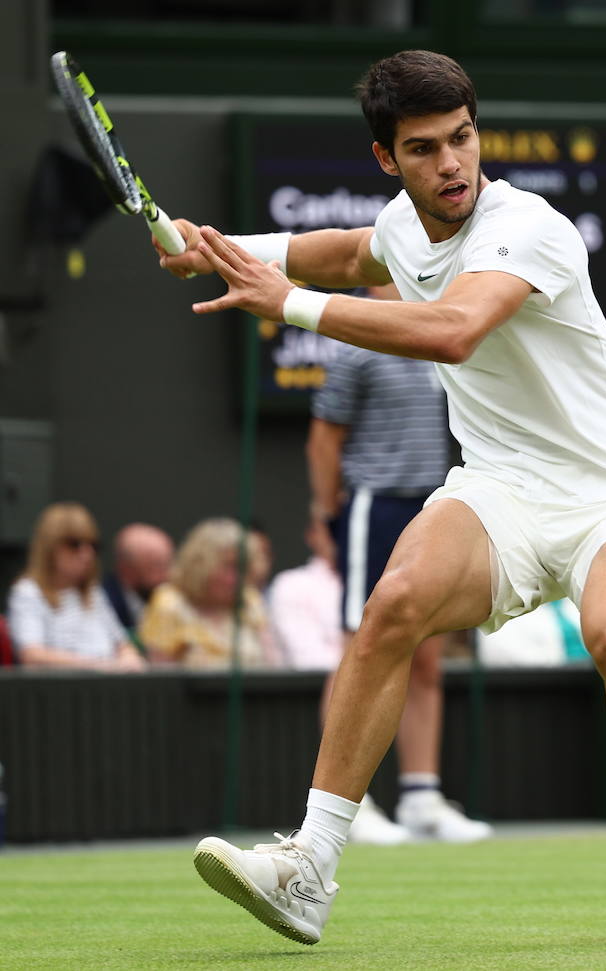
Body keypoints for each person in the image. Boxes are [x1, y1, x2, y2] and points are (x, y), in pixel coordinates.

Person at [161, 50, 606, 948]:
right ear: (388, 159)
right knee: (393, 604)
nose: (452, 163)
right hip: (500, 487)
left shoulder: (526, 224)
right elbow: (339, 251)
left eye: (462, 138)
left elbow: (453, 330)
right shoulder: (398, 226)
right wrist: (212, 249)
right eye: (424, 149)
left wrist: (287, 304)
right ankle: (310, 867)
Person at [307, 285, 490, 846]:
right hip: (372, 504)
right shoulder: (355, 346)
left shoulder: (438, 339)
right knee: (359, 649)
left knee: (428, 659)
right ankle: (347, 804)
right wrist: (325, 515)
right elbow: (325, 437)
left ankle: (420, 797)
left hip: (431, 506)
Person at [6, 502, 145, 671]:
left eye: (92, 545)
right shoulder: (28, 592)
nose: (87, 554)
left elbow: (122, 644)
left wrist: (130, 659)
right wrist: (101, 666)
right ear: (49, 548)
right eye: (74, 544)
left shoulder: (93, 593)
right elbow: (31, 655)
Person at [139, 517, 278, 669]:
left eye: (243, 567)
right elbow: (160, 676)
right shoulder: (170, 602)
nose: (235, 578)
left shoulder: (249, 600)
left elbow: (273, 663)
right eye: (228, 567)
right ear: (200, 564)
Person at [267, 517, 345, 672]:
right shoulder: (291, 584)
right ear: (311, 535)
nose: (341, 534)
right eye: (332, 527)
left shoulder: (383, 580)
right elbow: (309, 659)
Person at [101, 522, 175, 632]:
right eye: (157, 566)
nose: (167, 575)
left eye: (168, 565)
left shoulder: (173, 604)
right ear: (127, 569)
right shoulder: (102, 604)